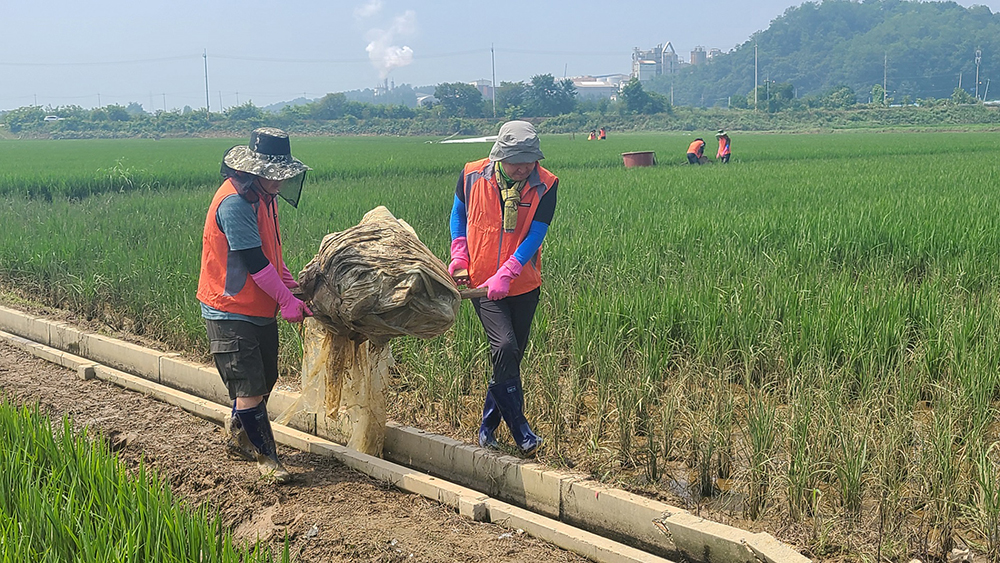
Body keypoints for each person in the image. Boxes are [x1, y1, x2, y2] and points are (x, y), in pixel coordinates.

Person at [197, 127, 313, 484]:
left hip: (259, 306)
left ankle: (238, 431)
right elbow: (254, 262)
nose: (279, 183)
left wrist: (292, 285)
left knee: (264, 382)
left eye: (283, 176)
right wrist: (286, 301)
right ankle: (268, 460)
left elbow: (270, 255)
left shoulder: (264, 196)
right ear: (255, 170)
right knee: (248, 388)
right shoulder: (235, 203)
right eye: (274, 176)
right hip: (230, 310)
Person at [447, 120, 557, 456]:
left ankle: (486, 427)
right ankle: (522, 431)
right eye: (516, 161)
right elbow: (458, 215)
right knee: (505, 347)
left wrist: (509, 271)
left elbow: (537, 233)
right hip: (482, 285)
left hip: (522, 284)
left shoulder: (546, 184)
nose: (523, 167)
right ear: (499, 157)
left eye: (529, 161)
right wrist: (459, 254)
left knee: (509, 360)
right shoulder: (471, 175)